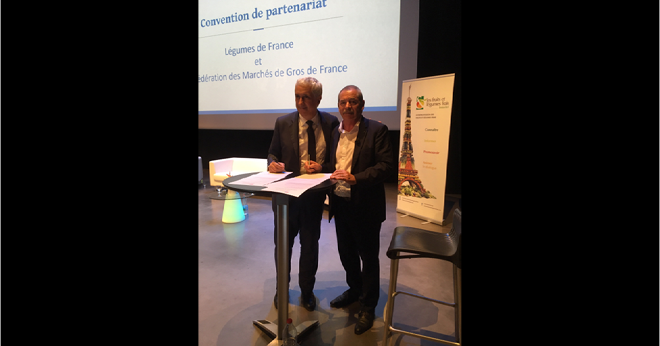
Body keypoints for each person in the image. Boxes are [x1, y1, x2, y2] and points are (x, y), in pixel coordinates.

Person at [266, 77, 339, 311]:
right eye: (297, 96)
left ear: (318, 98)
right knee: (283, 247)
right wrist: (273, 164)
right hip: (285, 199)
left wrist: (323, 168)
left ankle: (307, 291)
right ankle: (282, 290)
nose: (300, 101)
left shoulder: (331, 123)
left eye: (305, 97)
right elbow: (272, 154)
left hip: (313, 199)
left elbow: (336, 161)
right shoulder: (283, 122)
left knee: (309, 247)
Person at [327, 85, 395, 335]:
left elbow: (386, 166)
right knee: (346, 253)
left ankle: (368, 306)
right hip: (340, 202)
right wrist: (319, 167)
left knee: (368, 257)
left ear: (362, 105)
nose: (348, 106)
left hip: (365, 206)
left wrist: (356, 178)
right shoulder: (335, 132)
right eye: (343, 102)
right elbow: (334, 164)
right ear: (339, 106)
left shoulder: (377, 130)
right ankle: (354, 290)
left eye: (353, 102)